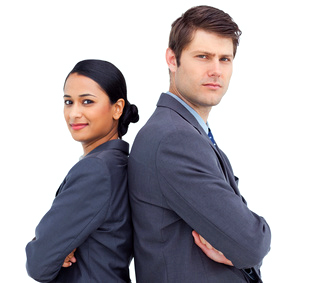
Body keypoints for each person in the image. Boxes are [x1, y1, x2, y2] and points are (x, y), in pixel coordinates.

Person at [128, 5, 271, 283]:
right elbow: (252, 243)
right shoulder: (174, 139)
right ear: (172, 59)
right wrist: (247, 246)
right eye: (203, 57)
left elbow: (242, 242)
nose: (216, 70)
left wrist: (238, 248)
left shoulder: (185, 130)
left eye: (225, 59)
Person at [26, 59, 139, 282]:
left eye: (87, 101)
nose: (74, 113)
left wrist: (47, 247)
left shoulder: (96, 170)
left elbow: (38, 263)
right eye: (68, 102)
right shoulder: (119, 164)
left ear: (117, 108)